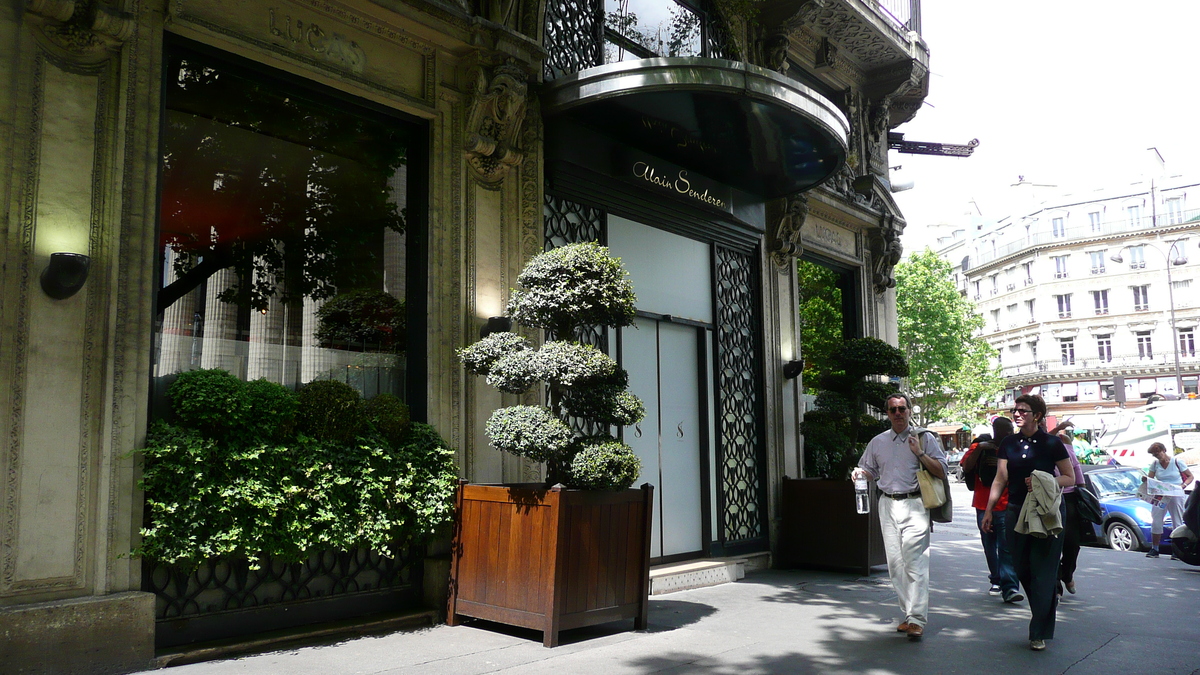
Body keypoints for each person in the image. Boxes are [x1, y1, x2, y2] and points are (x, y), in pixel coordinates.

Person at [982, 394, 1075, 652]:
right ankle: (1044, 610)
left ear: (1037, 415)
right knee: (1022, 568)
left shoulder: (1052, 443)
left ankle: (1038, 631)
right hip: (1014, 511)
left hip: (1046, 512)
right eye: (1015, 410)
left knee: (1043, 571)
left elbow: (1069, 478)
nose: (1017, 414)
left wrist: (1044, 481)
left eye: (1023, 410)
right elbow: (1000, 479)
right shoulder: (1008, 444)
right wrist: (989, 510)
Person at [852, 393, 947, 640]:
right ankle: (908, 615)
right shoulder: (877, 442)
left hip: (915, 503)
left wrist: (919, 454)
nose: (898, 414)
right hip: (887, 505)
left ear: (909, 411)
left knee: (915, 563)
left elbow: (942, 471)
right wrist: (860, 474)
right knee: (895, 565)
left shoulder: (924, 438)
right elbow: (870, 470)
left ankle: (916, 619)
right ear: (887, 413)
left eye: (902, 409)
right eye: (893, 410)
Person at [960, 418, 1021, 603]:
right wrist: (979, 448)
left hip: (1006, 504)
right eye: (1008, 430)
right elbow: (966, 466)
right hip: (982, 504)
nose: (1010, 433)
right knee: (989, 545)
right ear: (997, 431)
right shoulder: (980, 446)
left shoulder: (1012, 447)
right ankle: (996, 579)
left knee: (1006, 547)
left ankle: (1009, 587)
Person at [1144, 442, 1194, 558]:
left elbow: (1190, 476)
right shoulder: (1155, 464)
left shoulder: (1177, 462)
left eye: (1157, 453)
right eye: (1154, 454)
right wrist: (1146, 480)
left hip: (1176, 493)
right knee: (1156, 520)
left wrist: (1183, 486)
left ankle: (1177, 550)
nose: (1156, 456)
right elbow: (1150, 478)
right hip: (1161, 493)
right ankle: (1155, 549)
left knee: (1177, 520)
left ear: (1163, 450)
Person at [1053, 422, 1085, 595]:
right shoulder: (1042, 442)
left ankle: (1067, 574)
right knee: (1052, 541)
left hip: (1069, 495)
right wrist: (1057, 429)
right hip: (1049, 497)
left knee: (1072, 543)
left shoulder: (1064, 442)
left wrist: (1083, 488)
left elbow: (1076, 466)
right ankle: (1056, 584)